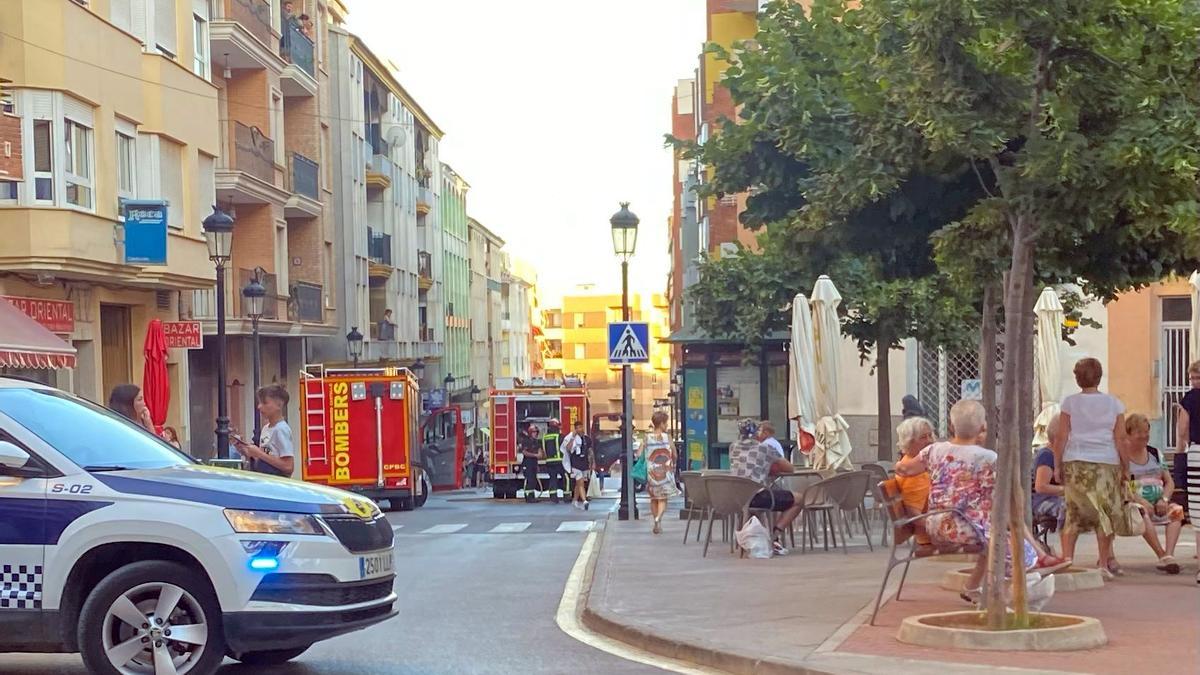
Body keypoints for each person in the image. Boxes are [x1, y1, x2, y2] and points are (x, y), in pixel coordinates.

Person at [898, 399, 1038, 603]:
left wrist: (898, 467)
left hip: (935, 526)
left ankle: (972, 587)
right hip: (965, 529)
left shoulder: (934, 450)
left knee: (993, 534)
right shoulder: (989, 458)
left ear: (951, 426)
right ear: (983, 427)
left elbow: (906, 469)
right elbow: (1004, 496)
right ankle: (1008, 598)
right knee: (1011, 542)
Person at [1052, 357, 1126, 580]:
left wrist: (1057, 464)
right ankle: (1103, 563)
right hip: (1106, 463)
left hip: (1076, 461)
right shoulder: (1114, 404)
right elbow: (1120, 438)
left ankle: (1067, 561)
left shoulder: (1069, 403)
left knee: (1073, 513)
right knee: (1104, 513)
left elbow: (1062, 436)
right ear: (1100, 377)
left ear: (1077, 378)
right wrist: (1126, 466)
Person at [730, 418, 804, 555]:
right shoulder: (765, 448)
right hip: (758, 497)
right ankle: (774, 536)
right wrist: (768, 465)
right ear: (757, 433)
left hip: (737, 498)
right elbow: (790, 468)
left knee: (764, 500)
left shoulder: (733, 447)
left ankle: (756, 538)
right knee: (799, 499)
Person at [1125, 413, 1184, 574]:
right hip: (1135, 504)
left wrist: (1164, 499)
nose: (1144, 437)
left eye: (1146, 432)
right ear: (1128, 434)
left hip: (1159, 502)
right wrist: (1141, 501)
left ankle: (1169, 555)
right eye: (1139, 433)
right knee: (1142, 512)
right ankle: (1161, 555)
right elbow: (1122, 485)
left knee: (1176, 511)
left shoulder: (1155, 453)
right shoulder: (1122, 457)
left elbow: (1169, 481)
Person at [1174, 359, 1200, 585]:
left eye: (1196, 378)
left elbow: (1182, 430)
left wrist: (1180, 451)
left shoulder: (1190, 399)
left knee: (1199, 513)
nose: (1193, 382)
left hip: (1197, 453)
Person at [233, 384, 295, 477]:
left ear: (279, 405)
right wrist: (247, 451)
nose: (259, 407)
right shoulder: (266, 428)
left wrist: (259, 453)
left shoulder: (281, 429)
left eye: (264, 403)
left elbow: (288, 466)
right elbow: (265, 459)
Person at [894, 417, 935, 547]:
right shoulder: (916, 474)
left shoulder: (908, 463)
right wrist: (940, 530)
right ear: (909, 442)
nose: (929, 441)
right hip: (931, 537)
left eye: (930, 435)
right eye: (923, 437)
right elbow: (914, 514)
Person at [1032, 414, 1067, 548]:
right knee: (1069, 507)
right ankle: (1066, 549)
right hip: (1043, 500)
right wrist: (1066, 490)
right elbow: (1041, 486)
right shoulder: (1047, 456)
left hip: (1057, 498)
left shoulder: (1064, 454)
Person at [642, 411, 679, 534]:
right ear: (661, 423)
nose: (667, 426)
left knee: (654, 498)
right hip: (665, 471)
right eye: (666, 423)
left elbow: (638, 453)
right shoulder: (667, 437)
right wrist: (673, 463)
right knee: (663, 498)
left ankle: (656, 522)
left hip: (651, 472)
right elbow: (674, 453)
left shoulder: (647, 437)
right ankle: (659, 518)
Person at [561, 419, 592, 510]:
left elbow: (590, 451)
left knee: (578, 484)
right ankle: (584, 501)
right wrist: (572, 437)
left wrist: (592, 463)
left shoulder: (587, 439)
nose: (579, 429)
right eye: (577, 428)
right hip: (575, 464)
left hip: (584, 463)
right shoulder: (573, 438)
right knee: (581, 482)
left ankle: (574, 500)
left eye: (580, 427)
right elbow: (568, 449)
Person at [518, 423, 544, 503]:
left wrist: (540, 454)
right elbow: (525, 452)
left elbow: (540, 452)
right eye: (534, 432)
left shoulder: (536, 442)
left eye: (536, 432)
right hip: (527, 463)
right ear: (530, 433)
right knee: (529, 480)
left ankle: (532, 497)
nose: (535, 434)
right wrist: (535, 455)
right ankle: (528, 497)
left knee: (533, 480)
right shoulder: (526, 441)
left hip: (533, 463)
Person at [542, 419, 565, 503]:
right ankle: (567, 495)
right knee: (565, 478)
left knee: (552, 479)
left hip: (549, 462)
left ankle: (553, 497)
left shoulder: (545, 437)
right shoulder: (560, 436)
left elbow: (543, 450)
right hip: (560, 461)